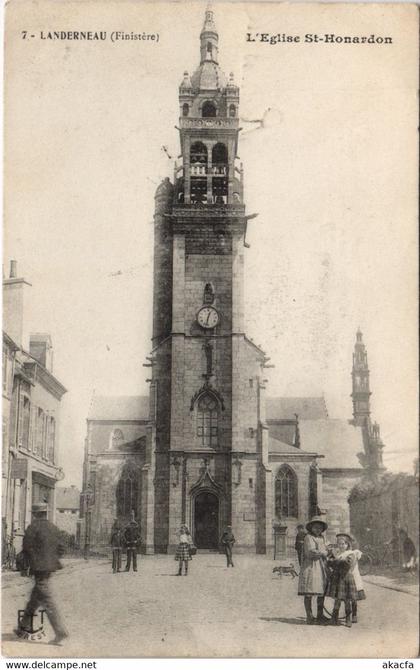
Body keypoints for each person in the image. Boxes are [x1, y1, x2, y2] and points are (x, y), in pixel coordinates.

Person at [15, 503, 68, 645]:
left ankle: (60, 631)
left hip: (38, 568)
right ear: (45, 513)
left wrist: (30, 561)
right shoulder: (53, 527)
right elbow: (62, 547)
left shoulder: (33, 527)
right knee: (35, 597)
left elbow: (26, 547)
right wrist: (52, 559)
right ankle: (23, 625)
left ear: (35, 514)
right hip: (50, 567)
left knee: (47, 599)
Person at [326, 533, 366, 628]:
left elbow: (347, 564)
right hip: (338, 578)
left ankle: (349, 618)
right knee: (337, 599)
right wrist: (334, 561)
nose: (341, 546)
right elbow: (329, 562)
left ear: (347, 545)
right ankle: (334, 617)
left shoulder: (351, 554)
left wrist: (335, 562)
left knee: (347, 600)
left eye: (343, 544)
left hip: (346, 578)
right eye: (339, 544)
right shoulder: (337, 553)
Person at [297, 516, 329, 625]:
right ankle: (309, 616)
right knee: (309, 591)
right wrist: (323, 552)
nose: (318, 529)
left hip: (321, 567)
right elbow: (310, 552)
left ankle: (320, 615)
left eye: (320, 528)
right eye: (315, 527)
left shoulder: (322, 538)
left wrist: (328, 551)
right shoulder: (308, 538)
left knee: (321, 591)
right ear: (311, 528)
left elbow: (326, 548)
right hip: (311, 566)